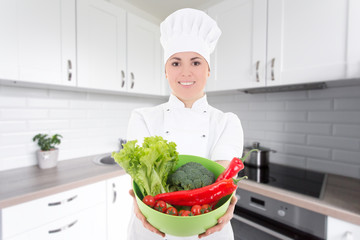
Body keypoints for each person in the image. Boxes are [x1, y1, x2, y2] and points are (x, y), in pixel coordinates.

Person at [126, 8, 244, 240]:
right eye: (176, 63)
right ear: (165, 71)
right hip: (151, 229)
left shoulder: (227, 122)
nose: (186, 72)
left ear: (208, 70)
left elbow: (222, 180)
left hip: (209, 229)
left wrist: (227, 201)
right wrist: (138, 202)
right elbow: (141, 181)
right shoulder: (142, 117)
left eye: (196, 62)